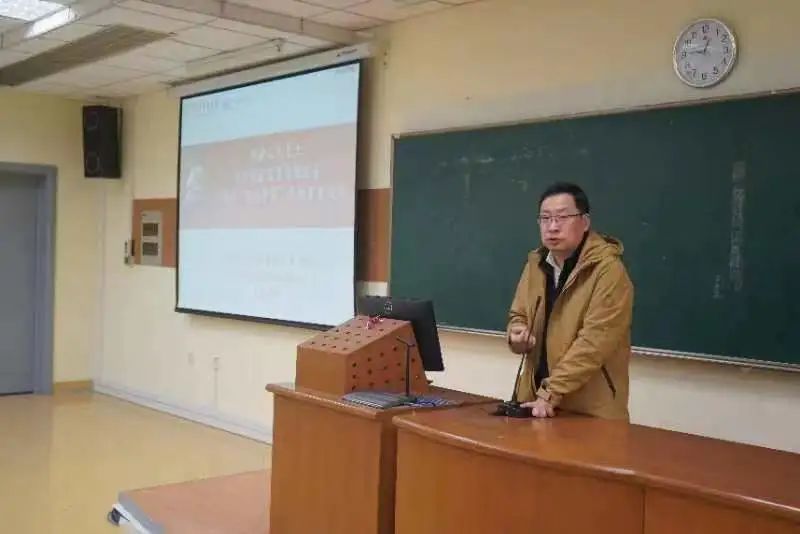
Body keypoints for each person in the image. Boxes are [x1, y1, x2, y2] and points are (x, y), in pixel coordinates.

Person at [507, 182, 634, 420]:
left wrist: (551, 391)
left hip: (588, 411)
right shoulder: (536, 264)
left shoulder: (608, 271)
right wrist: (517, 334)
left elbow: (594, 343)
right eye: (545, 218)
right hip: (536, 402)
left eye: (562, 217)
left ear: (585, 222)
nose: (552, 227)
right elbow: (519, 315)